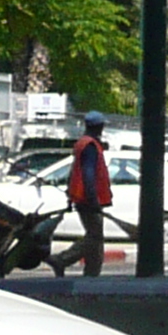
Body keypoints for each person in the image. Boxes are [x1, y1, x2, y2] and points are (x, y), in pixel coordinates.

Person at [63, 115, 114, 277]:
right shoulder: (90, 146)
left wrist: (70, 195)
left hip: (82, 197)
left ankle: (92, 272)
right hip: (88, 199)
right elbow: (88, 174)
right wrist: (93, 200)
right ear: (99, 127)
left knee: (95, 236)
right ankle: (63, 259)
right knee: (95, 237)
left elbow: (74, 171)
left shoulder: (82, 144)